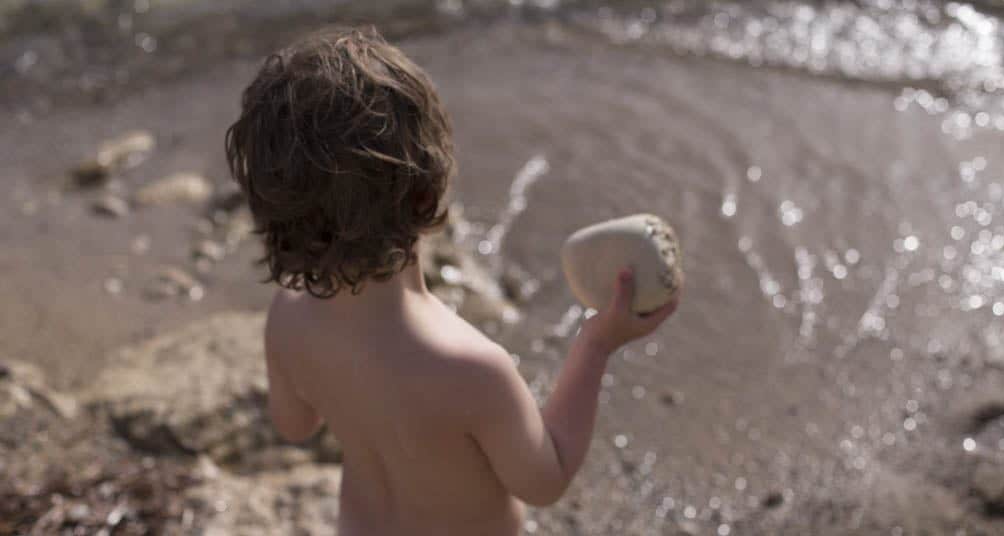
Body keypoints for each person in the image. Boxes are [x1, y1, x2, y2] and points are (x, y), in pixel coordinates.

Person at [225, 26, 679, 536]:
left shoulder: (288, 315)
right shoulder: (471, 368)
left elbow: (295, 425)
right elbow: (544, 481)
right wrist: (596, 345)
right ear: (427, 195)